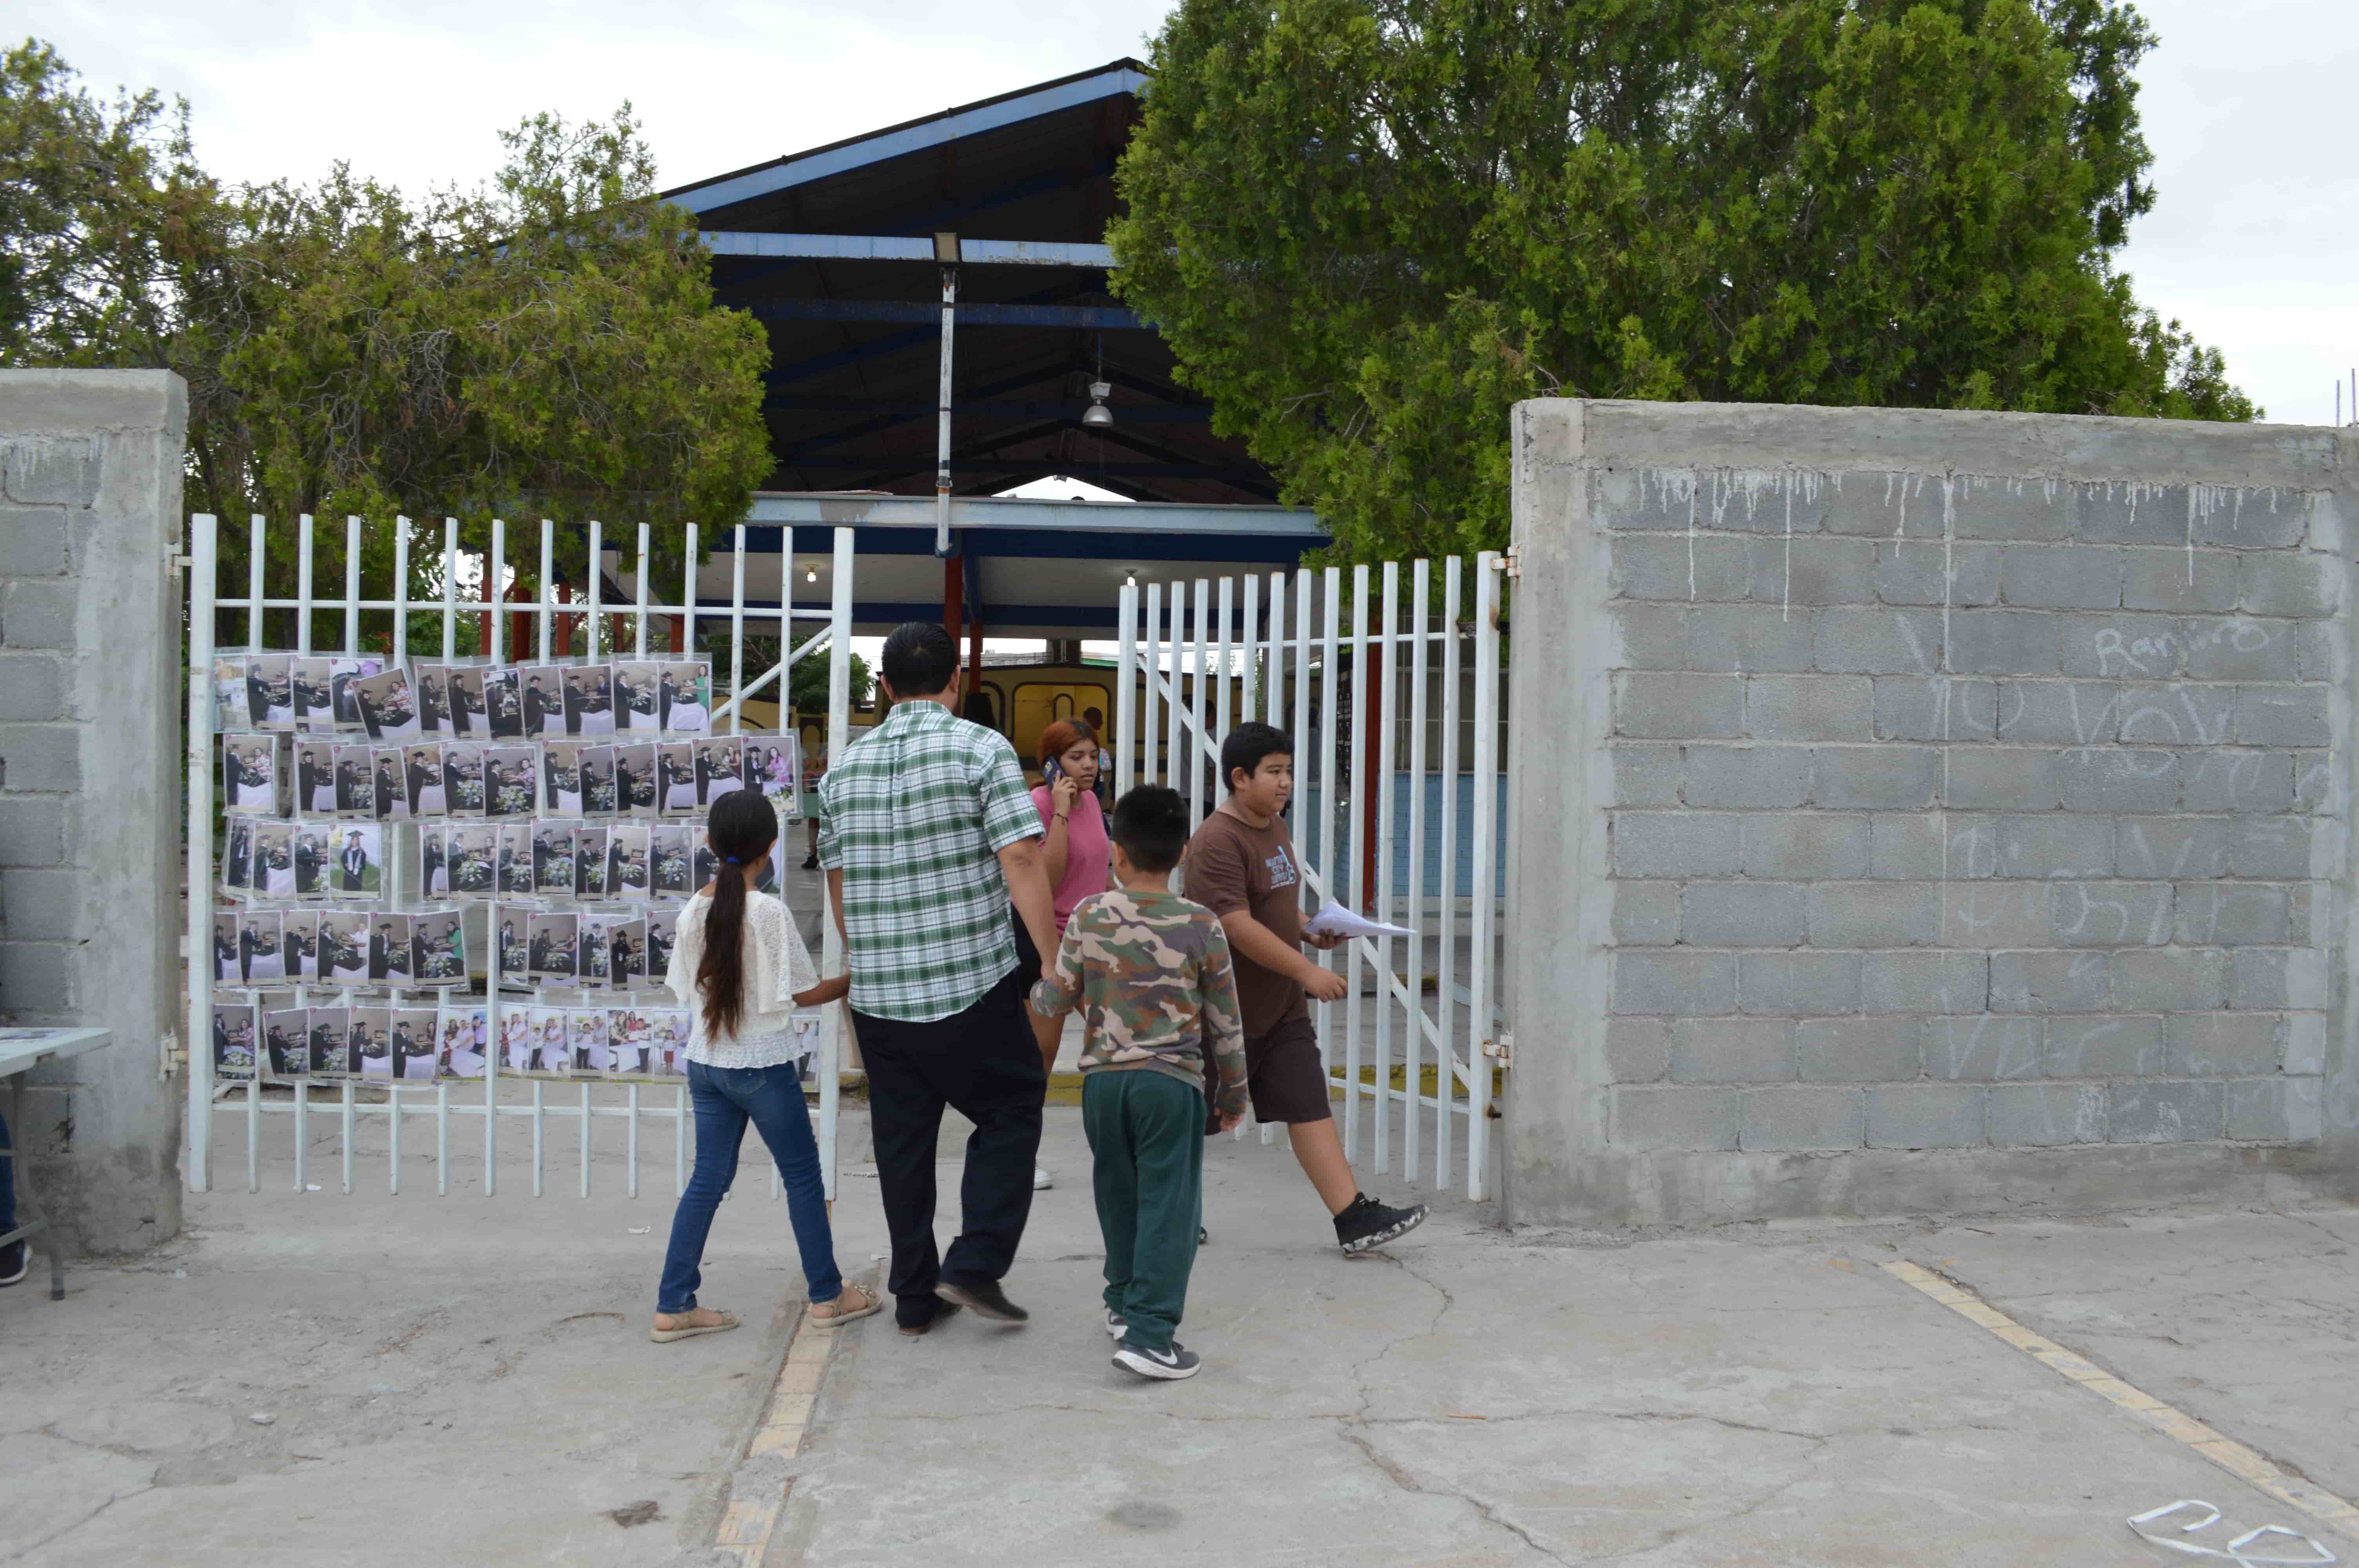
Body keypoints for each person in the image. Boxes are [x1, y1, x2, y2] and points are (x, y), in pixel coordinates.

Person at [818, 621, 1058, 1335]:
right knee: (1012, 1109)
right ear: (957, 682)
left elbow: (838, 879)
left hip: (882, 999)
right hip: (970, 984)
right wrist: (1049, 958)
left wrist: (867, 955)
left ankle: (916, 1300)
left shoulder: (840, 773)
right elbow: (1020, 860)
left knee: (902, 1145)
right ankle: (975, 1263)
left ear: (885, 687)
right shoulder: (983, 750)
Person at [1180, 722, 1428, 1255]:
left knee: (1307, 1103)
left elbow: (1273, 902)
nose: (1286, 782)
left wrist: (1309, 927)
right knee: (1186, 1123)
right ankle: (1165, 1212)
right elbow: (1234, 923)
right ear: (1239, 777)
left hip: (1280, 1010)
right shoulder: (1215, 842)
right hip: (1222, 1013)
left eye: (1289, 771)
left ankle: (1352, 1218)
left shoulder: (1274, 827)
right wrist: (1305, 970)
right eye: (1274, 772)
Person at [1030, 786, 1246, 1381]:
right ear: (1181, 856)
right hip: (1170, 1083)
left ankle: (1123, 1305)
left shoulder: (1089, 914)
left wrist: (1036, 987)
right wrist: (1232, 1096)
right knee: (1170, 1209)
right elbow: (1226, 1021)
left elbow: (1058, 994)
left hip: (1102, 1085)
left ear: (1117, 855)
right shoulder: (1201, 923)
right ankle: (1152, 1336)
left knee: (1118, 1197)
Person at [653, 790, 873, 1342]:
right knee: (802, 1178)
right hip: (763, 1066)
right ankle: (827, 1295)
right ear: (773, 847)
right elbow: (803, 993)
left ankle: (673, 1303)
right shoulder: (769, 912)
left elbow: (684, 987)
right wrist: (857, 978)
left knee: (707, 1180)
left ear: (709, 842)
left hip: (706, 1064)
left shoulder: (692, 911)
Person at [1018, 719, 1114, 1191]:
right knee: (1040, 1055)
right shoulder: (1036, 804)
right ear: (1053, 762)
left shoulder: (1095, 804)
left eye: (1094, 756)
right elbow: (1046, 880)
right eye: (1077, 756)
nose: (1089, 766)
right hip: (1053, 947)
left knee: (1117, 1043)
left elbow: (1103, 874)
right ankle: (1021, 1154)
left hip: (1098, 943)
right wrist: (1058, 811)